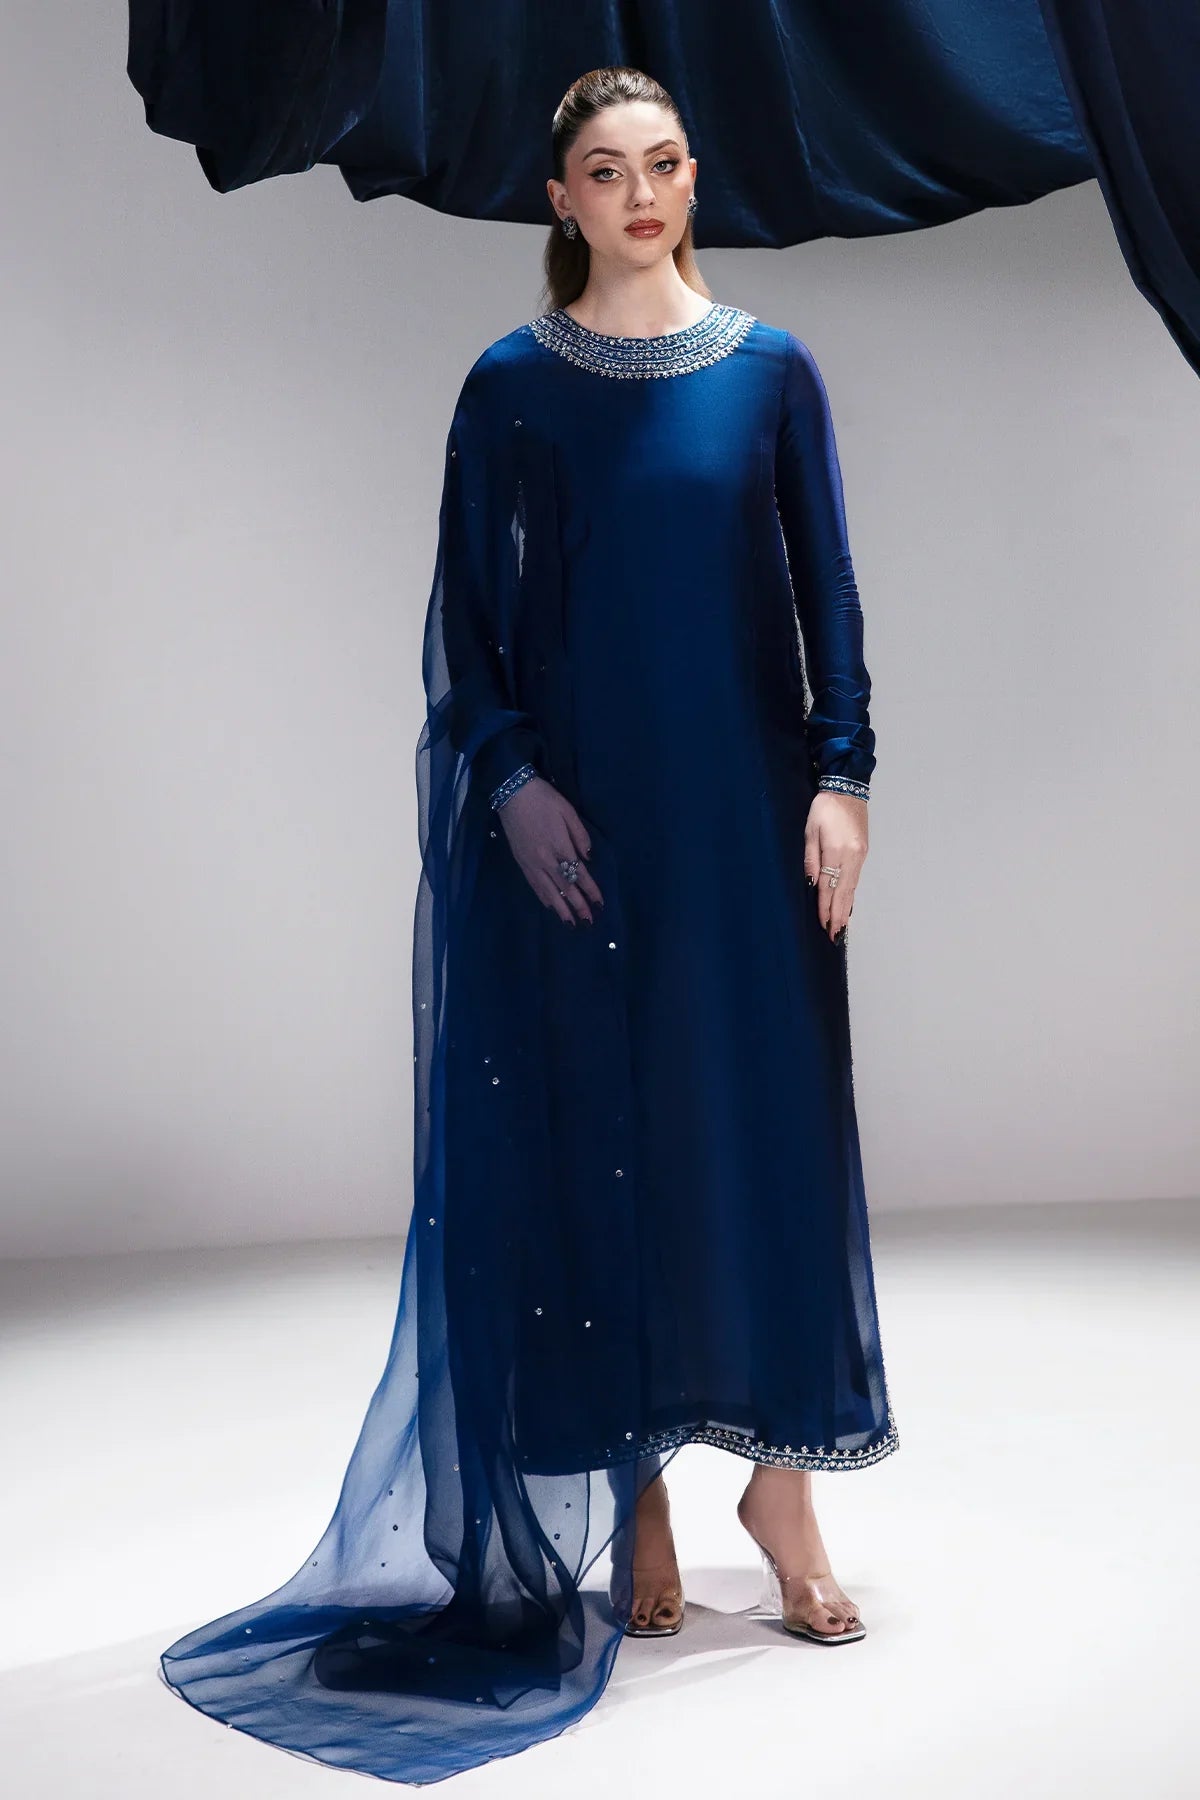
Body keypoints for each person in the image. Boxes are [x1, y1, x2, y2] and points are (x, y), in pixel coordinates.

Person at [159, 64, 898, 1786]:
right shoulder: (510, 387)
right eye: (604, 171)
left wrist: (844, 779)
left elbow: (829, 591)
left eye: (664, 163)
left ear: (693, 180)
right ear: (559, 201)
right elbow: (469, 629)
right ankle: (632, 1491)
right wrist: (509, 784)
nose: (640, 194)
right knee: (603, 1142)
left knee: (764, 1135)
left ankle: (782, 1497)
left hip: (746, 826)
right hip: (585, 843)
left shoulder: (773, 373)